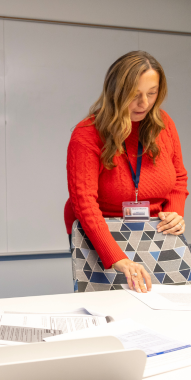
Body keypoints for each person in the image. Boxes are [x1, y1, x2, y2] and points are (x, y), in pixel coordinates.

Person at [65, 51, 188, 293]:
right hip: (100, 230)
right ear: (116, 93)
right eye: (135, 95)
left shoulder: (164, 124)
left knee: (171, 300)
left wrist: (174, 211)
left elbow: (179, 178)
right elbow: (84, 203)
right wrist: (116, 256)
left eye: (152, 93)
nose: (144, 103)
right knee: (112, 305)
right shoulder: (87, 134)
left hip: (155, 228)